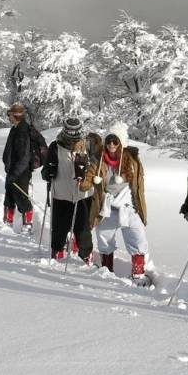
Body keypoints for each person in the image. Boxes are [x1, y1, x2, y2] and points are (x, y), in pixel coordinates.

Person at [86, 122, 150, 286]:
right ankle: (107, 272)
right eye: (108, 141)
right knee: (104, 240)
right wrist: (85, 179)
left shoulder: (132, 161)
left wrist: (140, 207)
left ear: (121, 143)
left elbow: (139, 186)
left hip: (128, 206)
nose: (111, 145)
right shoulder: (99, 161)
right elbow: (86, 182)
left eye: (115, 141)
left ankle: (138, 274)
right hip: (107, 207)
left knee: (138, 239)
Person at [40, 116, 94, 262]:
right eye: (69, 136)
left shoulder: (87, 146)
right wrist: (49, 171)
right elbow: (45, 172)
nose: (72, 140)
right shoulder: (55, 147)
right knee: (59, 227)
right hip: (61, 195)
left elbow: (96, 168)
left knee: (83, 230)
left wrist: (87, 174)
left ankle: (86, 256)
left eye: (75, 136)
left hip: (83, 194)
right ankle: (57, 251)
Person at [1, 102, 35, 228]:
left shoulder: (22, 131)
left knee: (21, 197)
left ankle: (28, 224)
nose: (8, 117)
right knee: (9, 196)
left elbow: (24, 157)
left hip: (21, 171)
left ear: (15, 116)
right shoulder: (15, 129)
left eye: (9, 114)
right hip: (13, 170)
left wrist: (15, 173)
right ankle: (8, 221)